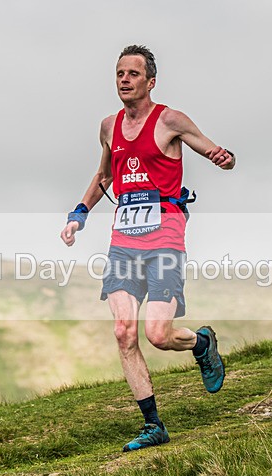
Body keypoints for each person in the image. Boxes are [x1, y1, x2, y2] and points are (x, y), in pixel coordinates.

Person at [60, 45, 235, 452]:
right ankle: (153, 425)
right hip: (124, 242)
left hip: (164, 239)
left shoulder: (170, 120)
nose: (124, 79)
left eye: (133, 73)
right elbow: (104, 176)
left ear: (151, 81)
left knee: (157, 334)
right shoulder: (109, 126)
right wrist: (78, 214)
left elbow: (211, 149)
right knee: (124, 332)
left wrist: (223, 158)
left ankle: (202, 344)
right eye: (120, 73)